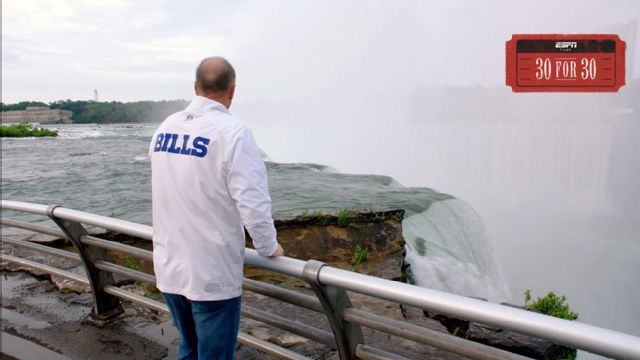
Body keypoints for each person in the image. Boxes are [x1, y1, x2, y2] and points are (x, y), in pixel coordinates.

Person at [149, 56, 284, 360]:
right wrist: (269, 247)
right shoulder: (234, 133)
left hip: (170, 266)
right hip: (211, 273)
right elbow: (253, 203)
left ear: (196, 87)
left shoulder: (165, 128)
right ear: (232, 92)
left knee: (189, 348)